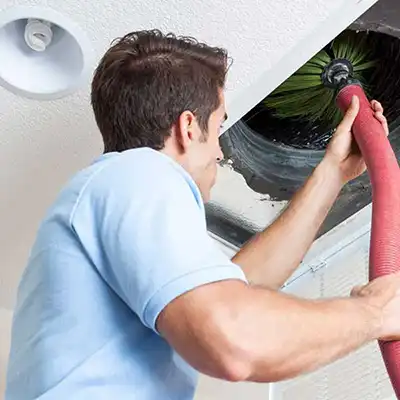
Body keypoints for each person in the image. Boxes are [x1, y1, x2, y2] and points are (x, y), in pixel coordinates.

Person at [5, 29, 400, 400]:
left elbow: (240, 287)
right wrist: (374, 312)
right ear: (189, 128)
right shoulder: (138, 173)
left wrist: (332, 173)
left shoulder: (114, 193)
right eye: (219, 127)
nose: (221, 152)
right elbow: (234, 336)